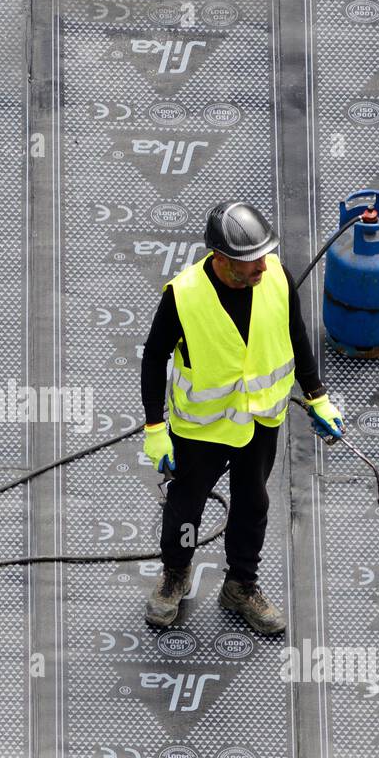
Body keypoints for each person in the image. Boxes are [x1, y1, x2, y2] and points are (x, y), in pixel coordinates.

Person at [139, 201, 344, 634]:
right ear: (221, 259)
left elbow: (297, 336)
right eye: (251, 260)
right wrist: (155, 427)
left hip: (260, 421)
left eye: (264, 256)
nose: (262, 267)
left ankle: (241, 585)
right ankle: (176, 575)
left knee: (253, 505)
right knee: (186, 509)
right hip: (202, 427)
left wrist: (318, 397)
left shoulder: (277, 278)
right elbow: (154, 357)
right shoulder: (184, 295)